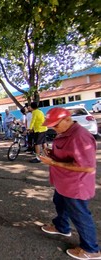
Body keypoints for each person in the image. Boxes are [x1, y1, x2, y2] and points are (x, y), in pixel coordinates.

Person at [39, 107, 101, 259]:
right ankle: (61, 226)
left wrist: (53, 162)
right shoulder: (65, 132)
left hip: (75, 184)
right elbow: (66, 154)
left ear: (67, 119)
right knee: (60, 203)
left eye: (56, 124)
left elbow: (86, 166)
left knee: (80, 215)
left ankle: (91, 249)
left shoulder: (80, 136)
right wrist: (52, 153)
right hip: (63, 182)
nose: (53, 128)